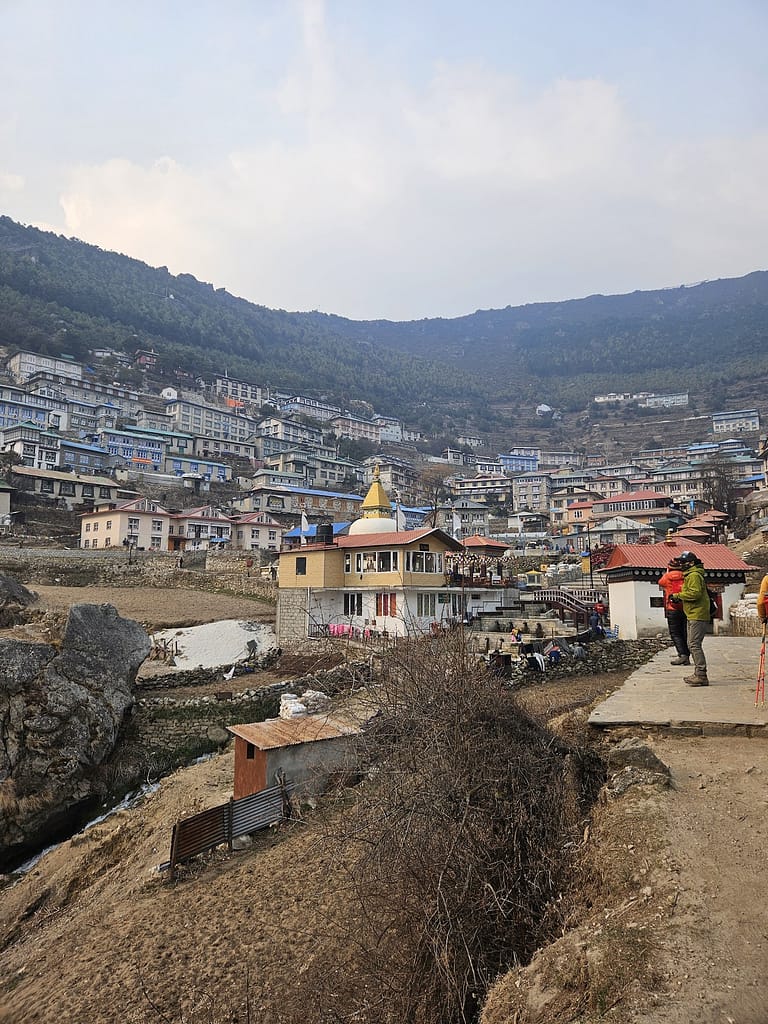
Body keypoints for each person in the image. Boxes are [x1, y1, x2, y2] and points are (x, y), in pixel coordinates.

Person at [670, 551, 710, 686]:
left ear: (691, 563)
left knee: (694, 644)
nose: (681, 564)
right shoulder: (691, 575)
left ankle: (701, 674)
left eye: (683, 562)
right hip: (693, 613)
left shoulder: (694, 575)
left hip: (697, 614)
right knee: (691, 643)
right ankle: (698, 673)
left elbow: (695, 593)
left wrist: (678, 596)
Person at [658, 557, 690, 665]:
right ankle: (687, 655)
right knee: (685, 632)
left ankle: (683, 655)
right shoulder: (686, 576)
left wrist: (667, 572)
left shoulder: (667, 577)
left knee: (676, 633)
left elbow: (660, 582)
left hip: (672, 608)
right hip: (685, 607)